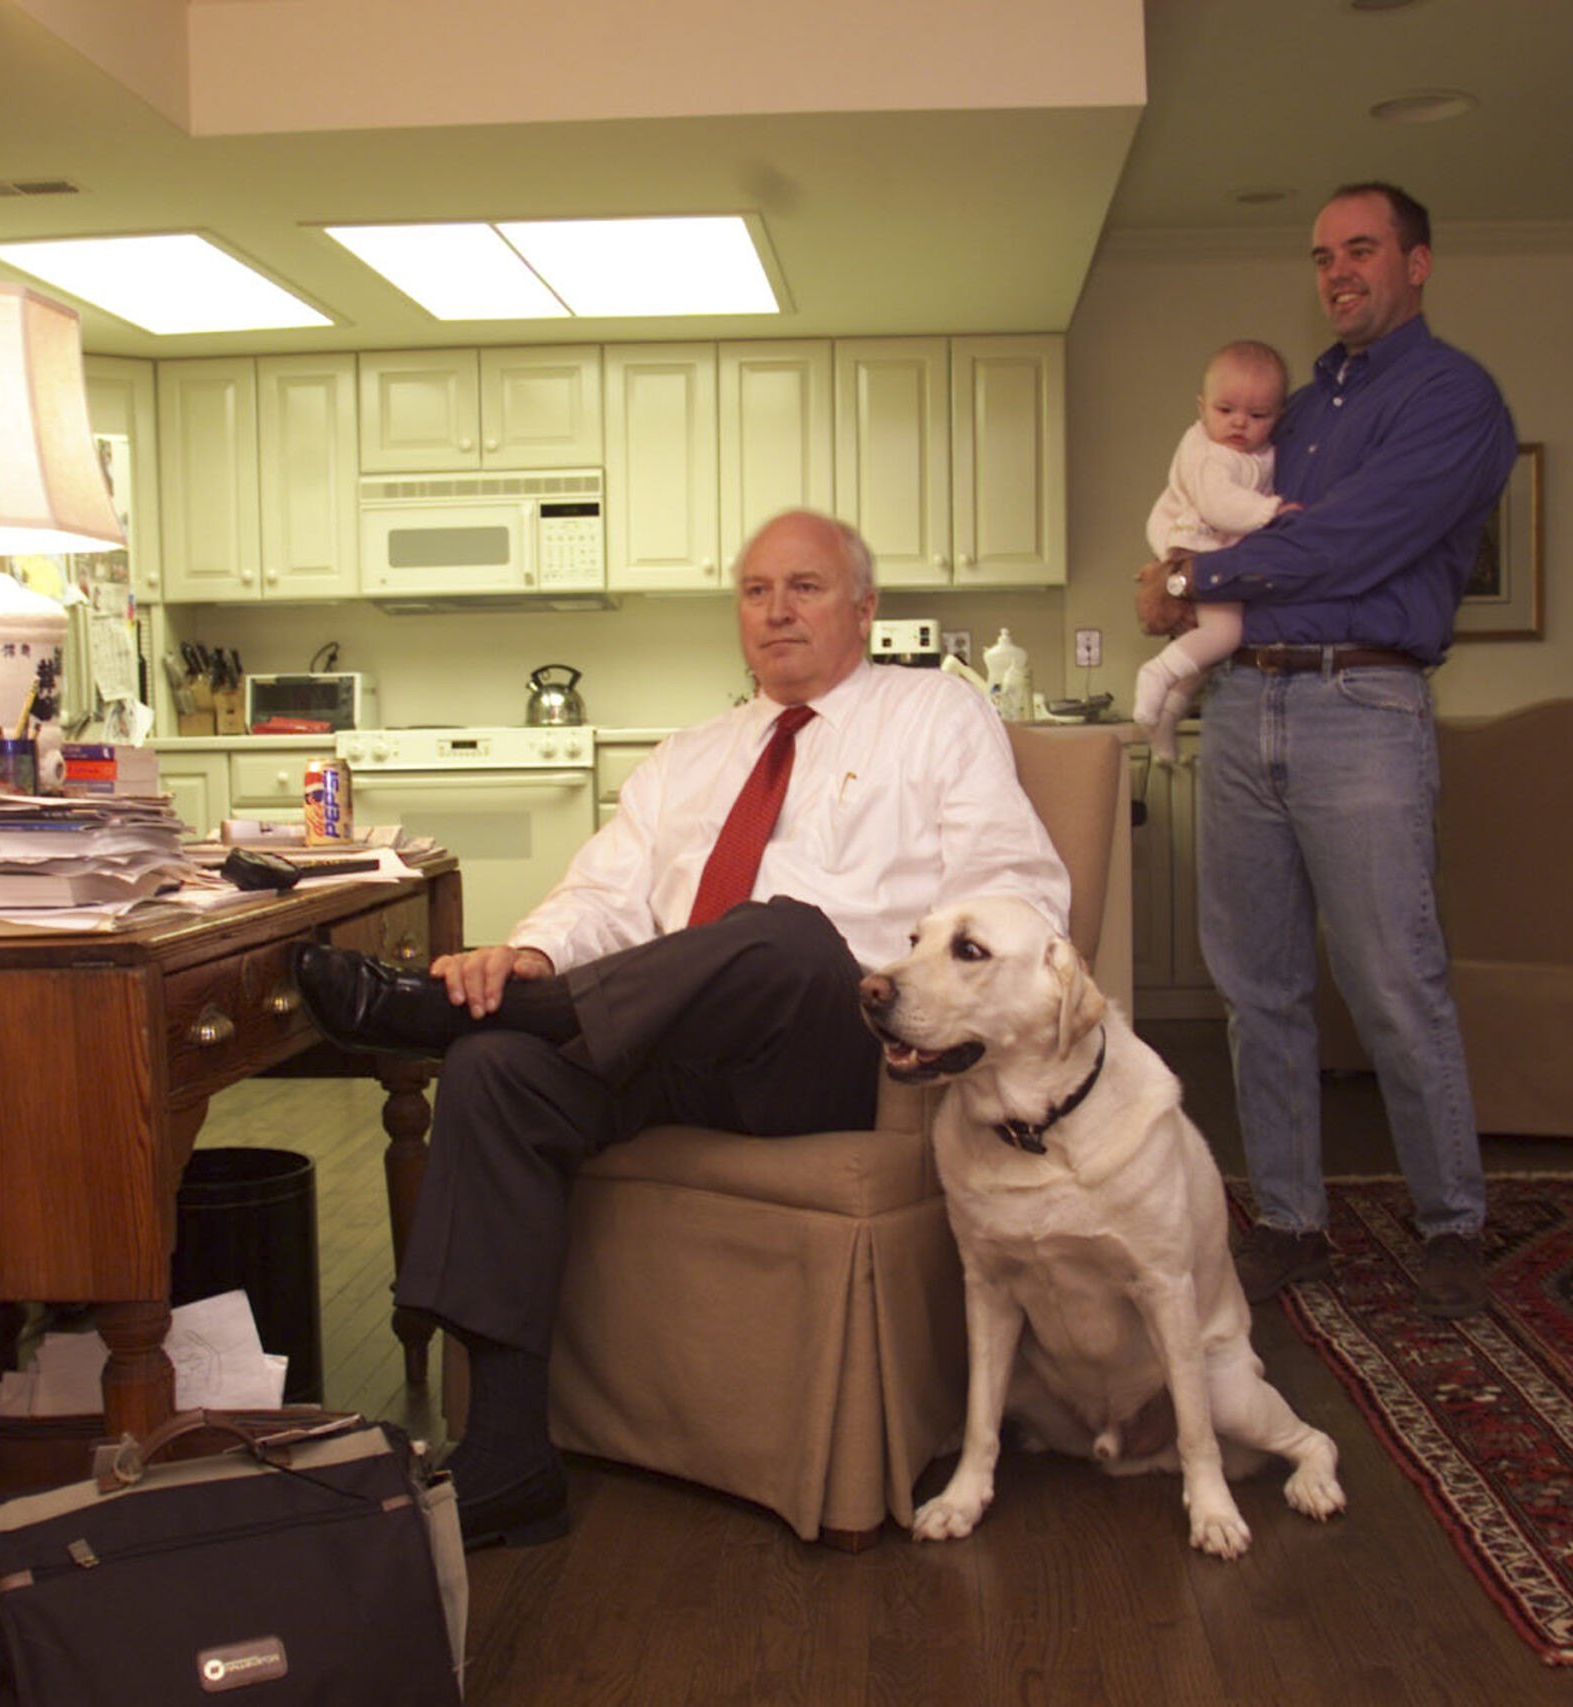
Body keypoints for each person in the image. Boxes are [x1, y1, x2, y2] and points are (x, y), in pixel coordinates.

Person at [293, 509, 1071, 1547]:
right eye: (755, 591)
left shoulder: (934, 716)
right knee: (491, 1066)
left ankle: (436, 1014)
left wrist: (940, 1002)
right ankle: (509, 1456)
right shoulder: (688, 756)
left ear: (865, 608)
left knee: (785, 936)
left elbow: (1015, 890)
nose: (776, 610)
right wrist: (526, 958)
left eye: (805, 586)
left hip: (834, 1050)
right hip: (660, 1046)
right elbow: (600, 901)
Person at [1133, 181, 1517, 1320]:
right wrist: (1176, 568)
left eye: (1361, 249)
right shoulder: (1288, 410)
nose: (1338, 271)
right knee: (1257, 989)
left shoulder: (1455, 398)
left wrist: (1194, 578)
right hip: (1244, 707)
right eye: (1320, 256)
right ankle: (1292, 1224)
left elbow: (1357, 544)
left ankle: (1451, 1226)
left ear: (1418, 261)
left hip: (1365, 709)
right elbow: (1202, 509)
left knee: (1395, 986)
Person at [1131, 339, 1293, 761]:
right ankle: (1155, 673)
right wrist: (1271, 510)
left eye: (1258, 415)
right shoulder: (1211, 455)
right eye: (1226, 411)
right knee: (1224, 635)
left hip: (1211, 553)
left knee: (1204, 657)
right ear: (1202, 407)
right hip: (1200, 550)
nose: (1240, 423)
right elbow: (1220, 505)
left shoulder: (1254, 453)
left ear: (1278, 416)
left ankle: (1165, 719)